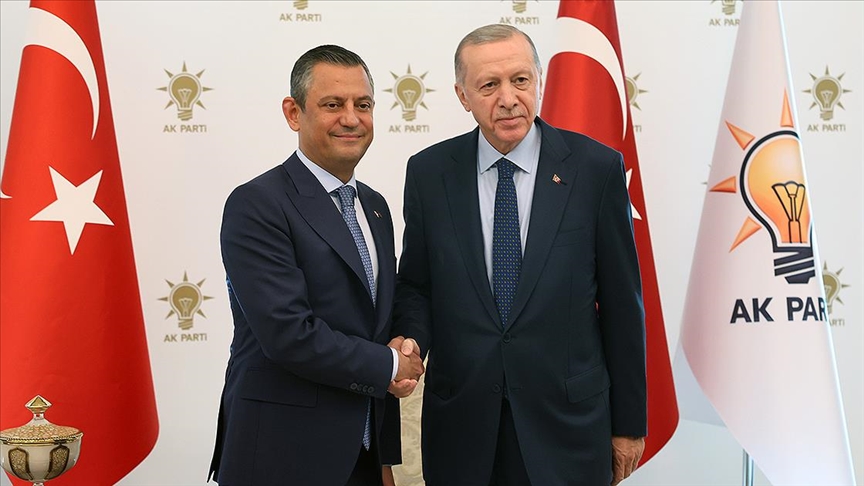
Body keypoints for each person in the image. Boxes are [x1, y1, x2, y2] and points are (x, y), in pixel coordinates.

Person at [393, 24, 647, 486]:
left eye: (520, 80)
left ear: (539, 82)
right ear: (462, 96)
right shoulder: (429, 173)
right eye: (489, 85)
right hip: (463, 424)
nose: (508, 99)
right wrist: (410, 340)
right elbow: (417, 285)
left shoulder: (596, 169)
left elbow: (622, 305)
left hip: (568, 428)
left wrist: (629, 425)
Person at [209, 44, 423, 486]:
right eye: (332, 105)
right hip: (281, 458)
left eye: (363, 105)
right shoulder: (257, 204)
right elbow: (288, 334)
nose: (351, 118)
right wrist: (388, 365)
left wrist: (406, 346)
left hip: (363, 458)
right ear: (294, 113)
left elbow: (378, 318)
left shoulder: (375, 207)